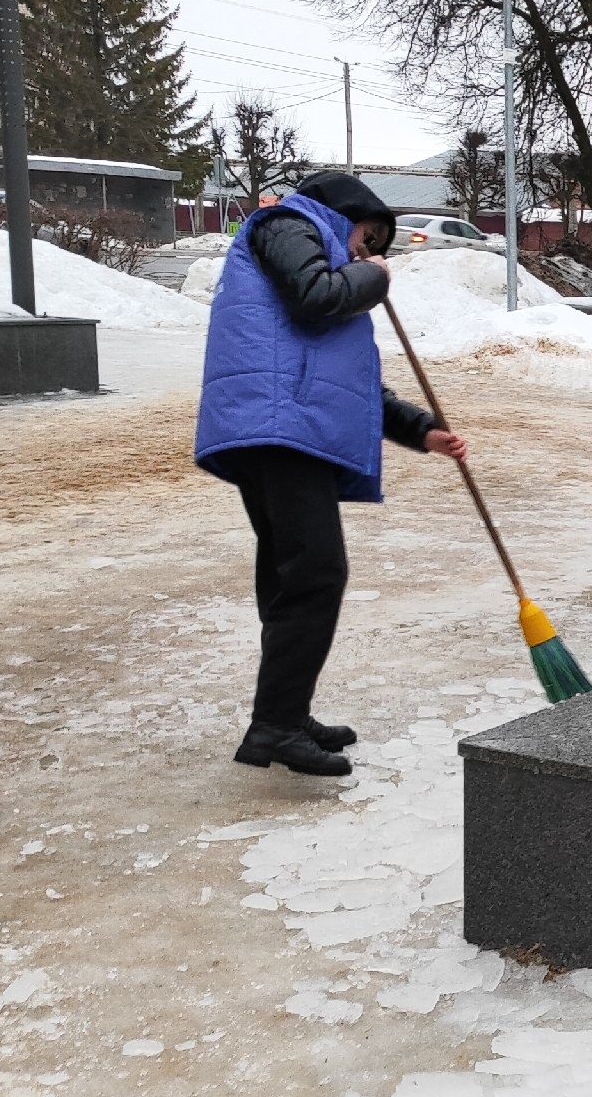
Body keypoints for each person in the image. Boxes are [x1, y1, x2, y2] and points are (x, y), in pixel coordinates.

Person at [194, 170, 467, 778]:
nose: (365, 255)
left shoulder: (308, 244)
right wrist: (372, 276)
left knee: (294, 577)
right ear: (346, 214)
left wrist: (419, 429)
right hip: (278, 427)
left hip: (284, 423)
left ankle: (284, 714)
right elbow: (316, 299)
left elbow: (345, 379)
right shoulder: (288, 225)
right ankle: (277, 725)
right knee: (316, 574)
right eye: (367, 240)